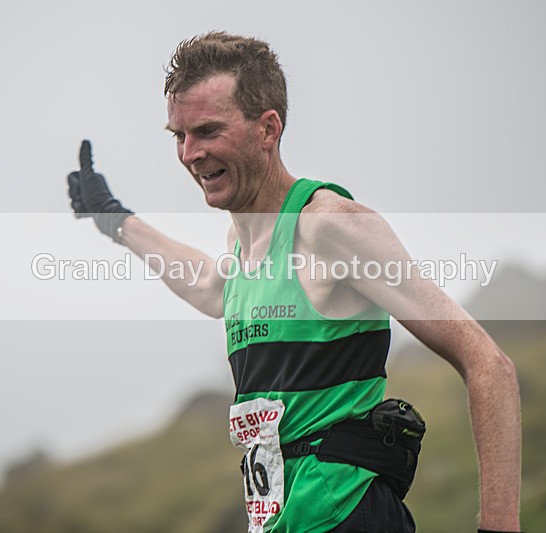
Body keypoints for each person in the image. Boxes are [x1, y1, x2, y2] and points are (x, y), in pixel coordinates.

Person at [67, 31, 522, 533]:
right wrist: (114, 219)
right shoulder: (245, 243)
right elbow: (210, 285)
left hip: (347, 517)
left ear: (268, 129)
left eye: (208, 131)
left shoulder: (328, 226)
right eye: (179, 135)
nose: (190, 153)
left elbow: (488, 363)